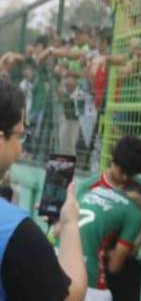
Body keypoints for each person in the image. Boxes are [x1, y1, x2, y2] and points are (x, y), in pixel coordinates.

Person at [0, 79, 87, 301]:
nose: (21, 148)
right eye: (20, 135)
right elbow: (71, 296)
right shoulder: (16, 231)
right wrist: (69, 224)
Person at [77, 182, 141, 300]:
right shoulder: (133, 213)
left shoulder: (101, 190)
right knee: (130, 269)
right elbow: (114, 266)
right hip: (89, 270)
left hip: (64, 253)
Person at [77, 135, 141, 199]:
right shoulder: (87, 188)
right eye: (122, 172)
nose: (125, 178)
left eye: (130, 174)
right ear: (112, 159)